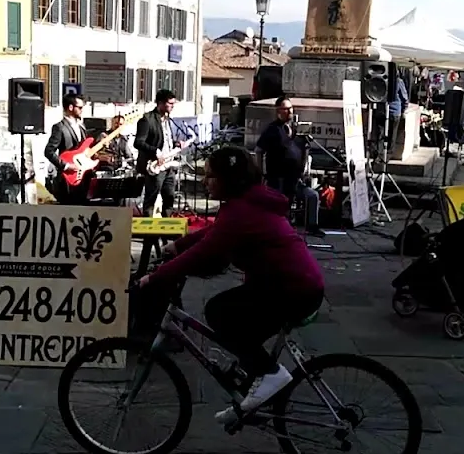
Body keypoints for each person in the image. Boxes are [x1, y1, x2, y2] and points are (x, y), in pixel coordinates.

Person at [140, 146, 324, 421]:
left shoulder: (240, 211)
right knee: (242, 332)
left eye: (210, 176)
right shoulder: (246, 203)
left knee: (219, 311)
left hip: (292, 289)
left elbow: (204, 252)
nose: (205, 181)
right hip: (291, 284)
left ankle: (270, 375)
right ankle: (254, 391)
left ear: (229, 179)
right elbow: (214, 232)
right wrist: (178, 245)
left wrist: (155, 277)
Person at [255, 97, 320, 231]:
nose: (290, 111)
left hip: (295, 178)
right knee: (282, 204)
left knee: (313, 196)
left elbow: (305, 149)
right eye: (285, 109)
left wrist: (305, 167)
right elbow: (259, 150)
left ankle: (312, 227)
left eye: (291, 108)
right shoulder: (273, 129)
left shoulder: (297, 130)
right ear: (278, 111)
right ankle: (280, 227)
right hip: (278, 179)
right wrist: (260, 173)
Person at [134, 89, 185, 217]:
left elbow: (163, 140)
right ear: (160, 103)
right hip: (155, 166)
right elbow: (138, 142)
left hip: (168, 166)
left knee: (169, 199)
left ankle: (166, 226)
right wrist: (155, 151)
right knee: (150, 201)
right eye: (170, 103)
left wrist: (176, 144)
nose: (172, 106)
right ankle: (148, 229)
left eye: (173, 103)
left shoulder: (167, 119)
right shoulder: (147, 120)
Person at [44, 92, 89, 205]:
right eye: (80, 108)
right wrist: (66, 166)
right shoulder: (59, 127)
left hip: (83, 176)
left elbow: (84, 149)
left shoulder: (82, 127)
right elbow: (49, 151)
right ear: (70, 107)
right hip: (67, 178)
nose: (82, 110)